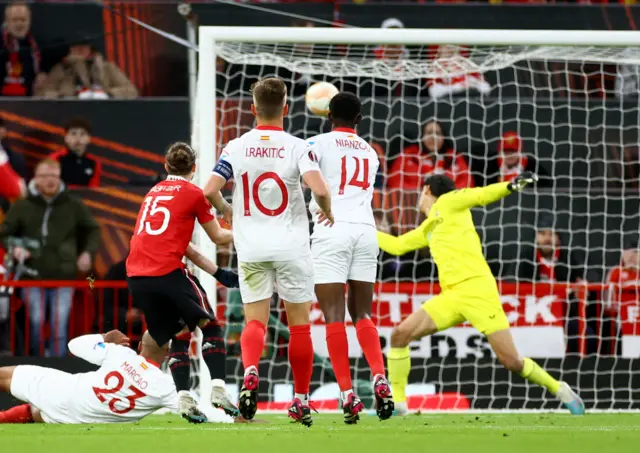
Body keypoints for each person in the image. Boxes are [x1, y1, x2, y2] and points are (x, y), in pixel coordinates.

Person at [377, 173, 585, 416]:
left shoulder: (449, 202)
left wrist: (510, 186)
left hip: (477, 291)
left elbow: (480, 194)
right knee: (400, 335)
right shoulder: (429, 226)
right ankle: (399, 404)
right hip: (451, 296)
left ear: (426, 191)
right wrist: (361, 231)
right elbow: (398, 245)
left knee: (512, 362)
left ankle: (560, 389)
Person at [203, 77, 332, 427]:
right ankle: (301, 401)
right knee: (299, 327)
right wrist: (327, 209)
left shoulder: (236, 146)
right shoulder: (297, 146)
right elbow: (318, 189)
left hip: (252, 247)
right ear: (286, 109)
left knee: (255, 320)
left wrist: (227, 209)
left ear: (252, 109)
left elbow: (209, 189)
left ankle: (248, 373)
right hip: (291, 246)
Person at [126, 142, 238, 424]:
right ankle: (219, 390)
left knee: (180, 332)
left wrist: (216, 272)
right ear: (194, 168)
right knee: (209, 325)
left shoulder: (152, 193)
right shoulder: (194, 194)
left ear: (166, 167)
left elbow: (182, 245)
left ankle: (184, 397)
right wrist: (250, 228)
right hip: (166, 271)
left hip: (137, 276)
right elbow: (220, 238)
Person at [306, 92, 393, 424]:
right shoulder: (371, 153)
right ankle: (379, 376)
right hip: (366, 230)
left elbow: (308, 181)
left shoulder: (316, 143)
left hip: (331, 228)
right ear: (359, 119)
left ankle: (347, 394)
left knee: (333, 316)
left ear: (328, 115)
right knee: (363, 314)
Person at [0, 159, 100, 356]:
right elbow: (4, 234)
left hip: (64, 275)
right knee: (35, 322)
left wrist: (88, 252)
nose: (50, 180)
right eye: (45, 176)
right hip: (32, 277)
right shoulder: (22, 206)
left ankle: (58, 365)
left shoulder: (73, 204)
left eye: (54, 175)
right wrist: (15, 248)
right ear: (36, 179)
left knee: (59, 324)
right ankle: (38, 363)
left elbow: (93, 230)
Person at [387, 120, 474, 190]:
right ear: (422, 136)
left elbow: (468, 183)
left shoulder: (454, 157)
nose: (433, 137)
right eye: (429, 133)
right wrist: (423, 191)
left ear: (444, 137)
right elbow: (394, 182)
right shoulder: (408, 155)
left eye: (437, 133)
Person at [41, 36, 138, 99]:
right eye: (76, 46)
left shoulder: (107, 67)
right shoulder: (61, 69)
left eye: (84, 46)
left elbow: (131, 91)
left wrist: (108, 94)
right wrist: (70, 96)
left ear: (90, 48)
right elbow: (43, 94)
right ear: (70, 49)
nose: (80, 49)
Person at [0, 1, 43, 97]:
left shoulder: (35, 44)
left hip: (28, 99)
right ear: (6, 21)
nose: (19, 24)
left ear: (29, 21)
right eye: (15, 20)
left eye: (23, 20)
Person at [49, 118, 102, 187]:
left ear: (89, 138)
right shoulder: (55, 158)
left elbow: (93, 190)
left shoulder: (94, 162)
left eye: (82, 134)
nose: (78, 138)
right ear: (66, 138)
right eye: (73, 134)